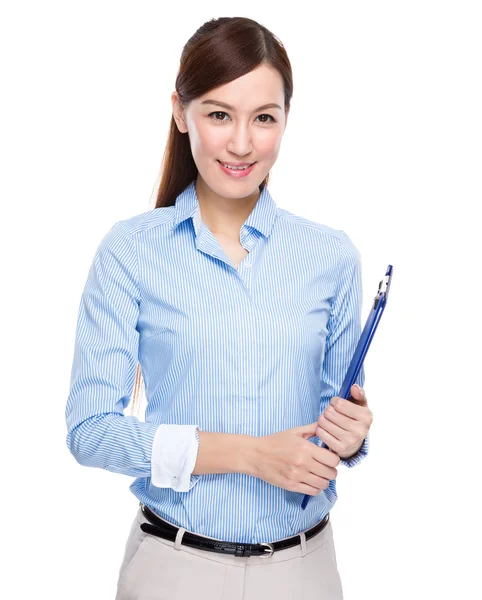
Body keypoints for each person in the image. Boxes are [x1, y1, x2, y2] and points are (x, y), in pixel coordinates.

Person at [65, 15, 373, 600]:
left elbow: (331, 426)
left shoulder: (330, 256)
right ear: (180, 113)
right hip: (174, 570)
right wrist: (248, 456)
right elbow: (90, 431)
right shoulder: (131, 250)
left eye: (263, 118)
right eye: (218, 114)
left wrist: (351, 435)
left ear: (285, 119)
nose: (241, 143)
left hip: (304, 572)